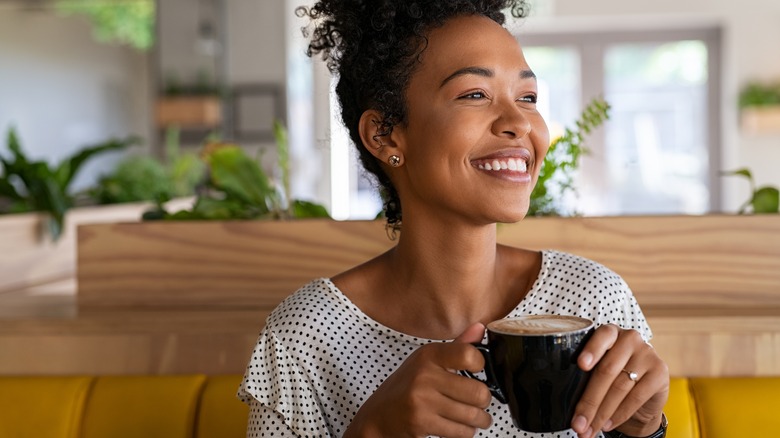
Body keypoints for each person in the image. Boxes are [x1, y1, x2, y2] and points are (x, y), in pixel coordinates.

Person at [238, 1, 670, 437]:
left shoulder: (592, 299)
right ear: (385, 133)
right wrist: (372, 430)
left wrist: (646, 427)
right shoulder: (305, 337)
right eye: (474, 95)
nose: (520, 122)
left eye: (527, 98)